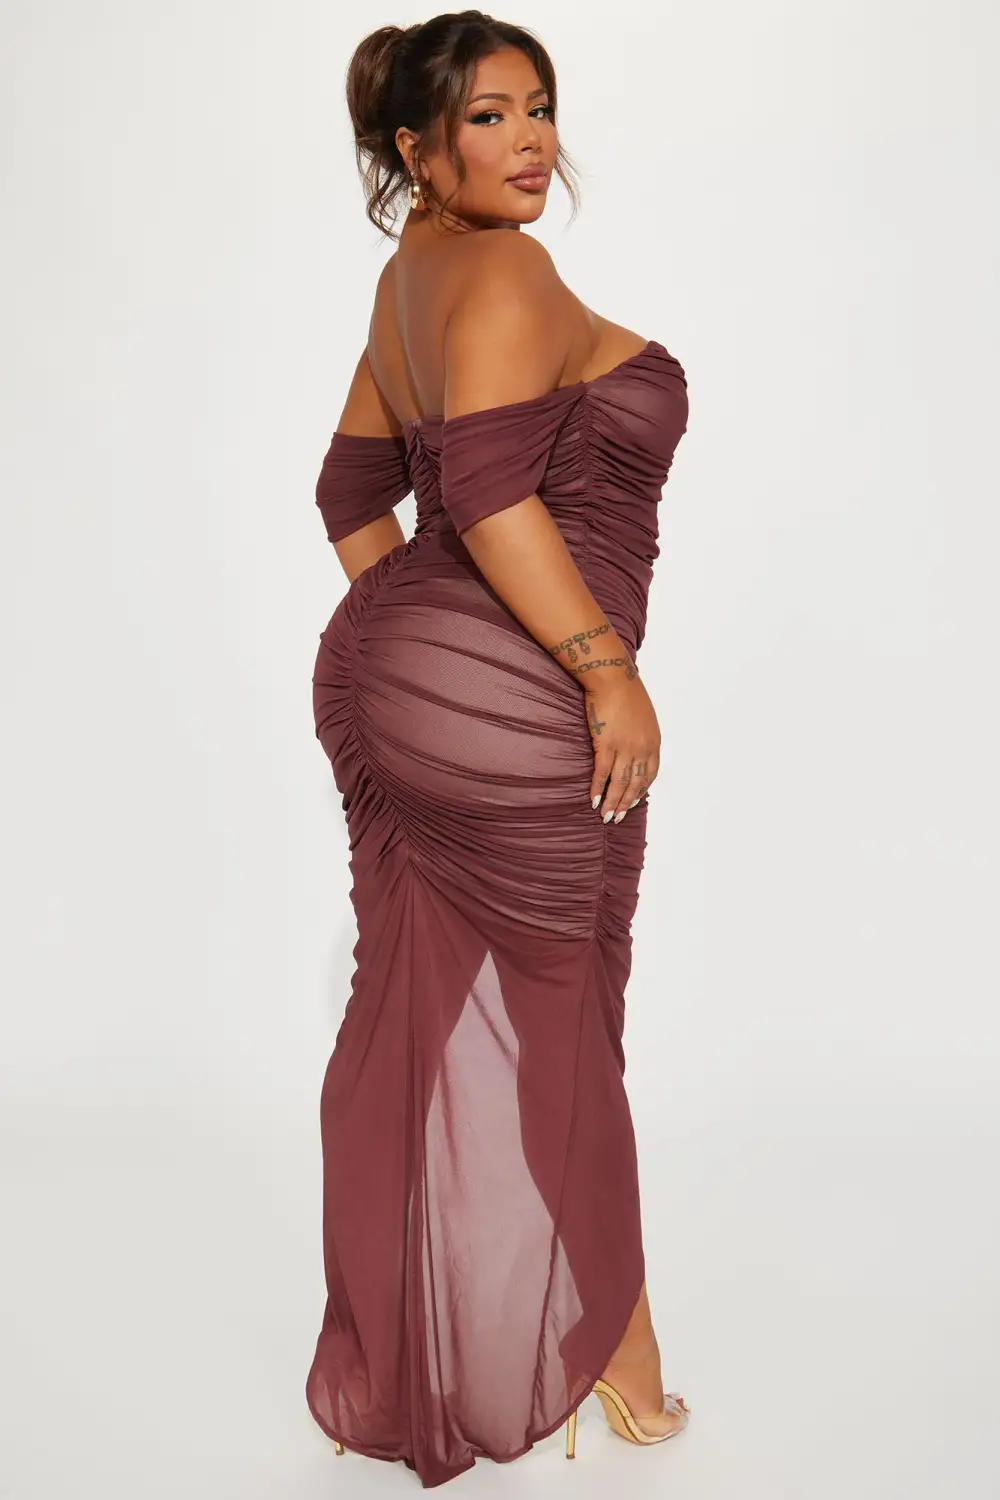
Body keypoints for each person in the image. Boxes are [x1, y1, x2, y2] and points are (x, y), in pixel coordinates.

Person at [306, 10, 691, 1488]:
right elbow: (485, 490)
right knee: (567, 1018)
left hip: (386, 679)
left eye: (538, 107)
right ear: (419, 150)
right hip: (517, 690)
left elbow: (352, 497)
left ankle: (502, 1340)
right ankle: (617, 1362)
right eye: (489, 117)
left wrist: (415, 644)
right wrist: (599, 671)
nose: (531, 140)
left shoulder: (409, 282)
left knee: (431, 1008)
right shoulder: (510, 273)